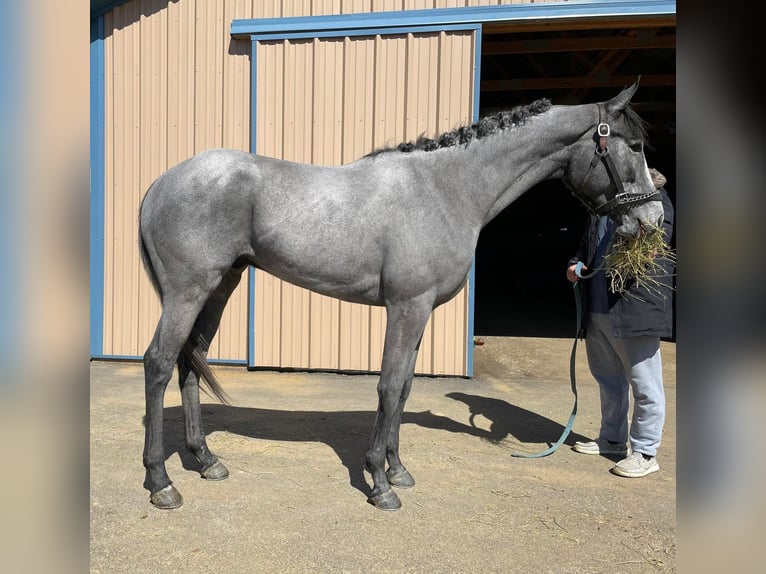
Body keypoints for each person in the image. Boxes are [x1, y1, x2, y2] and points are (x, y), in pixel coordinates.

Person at [566, 168, 675, 477]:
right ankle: (612, 439)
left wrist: (647, 241)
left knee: (644, 384)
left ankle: (645, 451)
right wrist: (575, 263)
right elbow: (587, 244)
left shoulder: (655, 201)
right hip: (599, 307)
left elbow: (659, 236)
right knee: (609, 381)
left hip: (633, 308)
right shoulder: (604, 207)